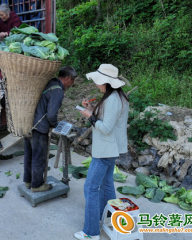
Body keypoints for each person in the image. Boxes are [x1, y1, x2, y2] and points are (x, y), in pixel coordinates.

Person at [74, 64, 129, 240]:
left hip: (105, 151)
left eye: (99, 82)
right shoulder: (115, 97)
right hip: (109, 149)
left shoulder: (113, 99)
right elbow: (105, 121)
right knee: (106, 185)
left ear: (107, 82)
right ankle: (109, 220)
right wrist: (90, 110)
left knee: (90, 188)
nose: (97, 85)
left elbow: (105, 128)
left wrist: (89, 116)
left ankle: (91, 232)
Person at [24, 66, 77, 192]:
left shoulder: (49, 82)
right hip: (40, 127)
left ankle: (28, 181)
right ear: (68, 78)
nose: (72, 84)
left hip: (29, 123)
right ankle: (37, 185)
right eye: (72, 80)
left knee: (29, 155)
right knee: (39, 157)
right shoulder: (58, 91)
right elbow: (51, 115)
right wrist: (55, 125)